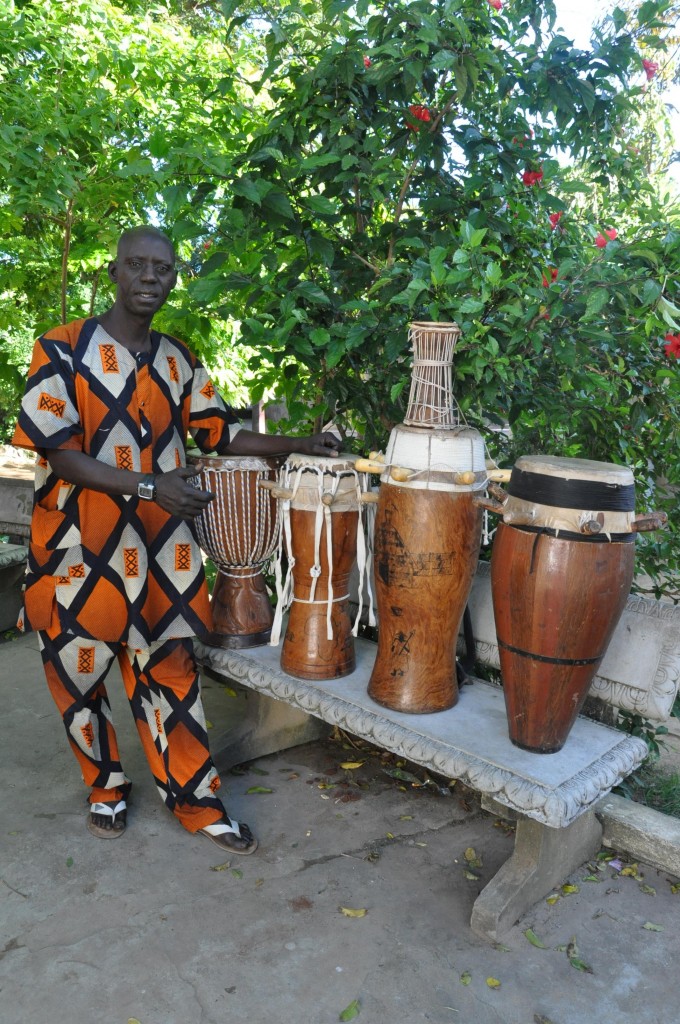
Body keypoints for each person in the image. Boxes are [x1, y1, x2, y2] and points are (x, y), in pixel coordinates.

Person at [12, 225, 341, 854]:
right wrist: (146, 486)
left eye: (161, 269)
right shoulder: (60, 351)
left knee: (170, 672)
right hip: (79, 549)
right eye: (135, 265)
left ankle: (196, 801)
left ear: (172, 278)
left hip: (162, 550)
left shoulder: (178, 359)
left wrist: (297, 443)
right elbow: (58, 453)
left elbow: (218, 433)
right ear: (112, 272)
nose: (148, 278)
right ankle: (106, 786)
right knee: (78, 677)